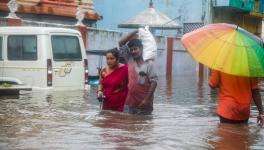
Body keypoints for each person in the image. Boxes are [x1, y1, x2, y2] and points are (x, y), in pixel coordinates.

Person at [118, 30, 158, 115]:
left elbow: (154, 82)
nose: (133, 51)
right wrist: (135, 31)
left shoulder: (149, 64)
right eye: (131, 50)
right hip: (129, 103)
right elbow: (121, 43)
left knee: (143, 126)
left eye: (135, 49)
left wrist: (146, 100)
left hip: (144, 104)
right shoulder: (130, 60)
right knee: (128, 126)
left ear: (142, 49)